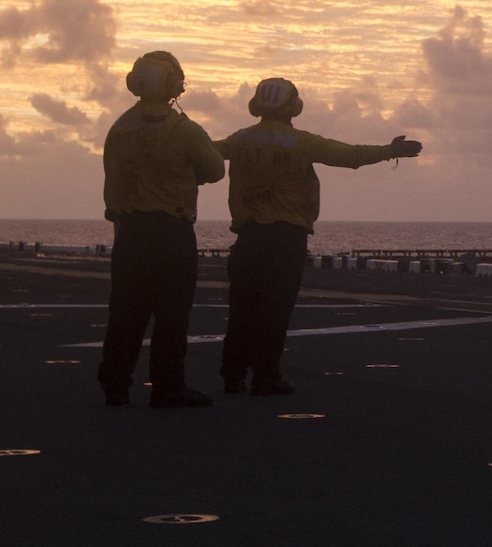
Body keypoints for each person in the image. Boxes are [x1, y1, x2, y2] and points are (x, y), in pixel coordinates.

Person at [216, 78, 423, 395]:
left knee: (243, 307)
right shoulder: (301, 142)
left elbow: (206, 151)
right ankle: (266, 376)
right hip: (286, 236)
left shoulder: (241, 140)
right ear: (294, 107)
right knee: (275, 308)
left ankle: (233, 375)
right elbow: (349, 156)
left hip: (248, 234)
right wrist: (389, 150)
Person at [98, 51, 225, 409]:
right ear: (173, 84)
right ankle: (167, 386)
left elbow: (114, 183)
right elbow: (215, 170)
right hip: (171, 233)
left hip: (130, 232)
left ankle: (115, 384)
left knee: (124, 313)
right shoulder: (184, 129)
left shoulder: (119, 129)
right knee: (171, 314)